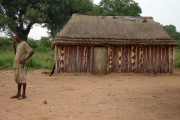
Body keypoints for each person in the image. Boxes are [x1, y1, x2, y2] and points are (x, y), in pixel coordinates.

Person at [11, 33, 34, 99]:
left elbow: (32, 52)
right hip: (16, 64)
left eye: (16, 36)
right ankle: (18, 93)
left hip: (21, 65)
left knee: (23, 79)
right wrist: (14, 47)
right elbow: (16, 54)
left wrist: (25, 60)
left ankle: (23, 94)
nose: (15, 38)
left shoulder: (24, 43)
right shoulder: (18, 44)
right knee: (18, 79)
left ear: (19, 37)